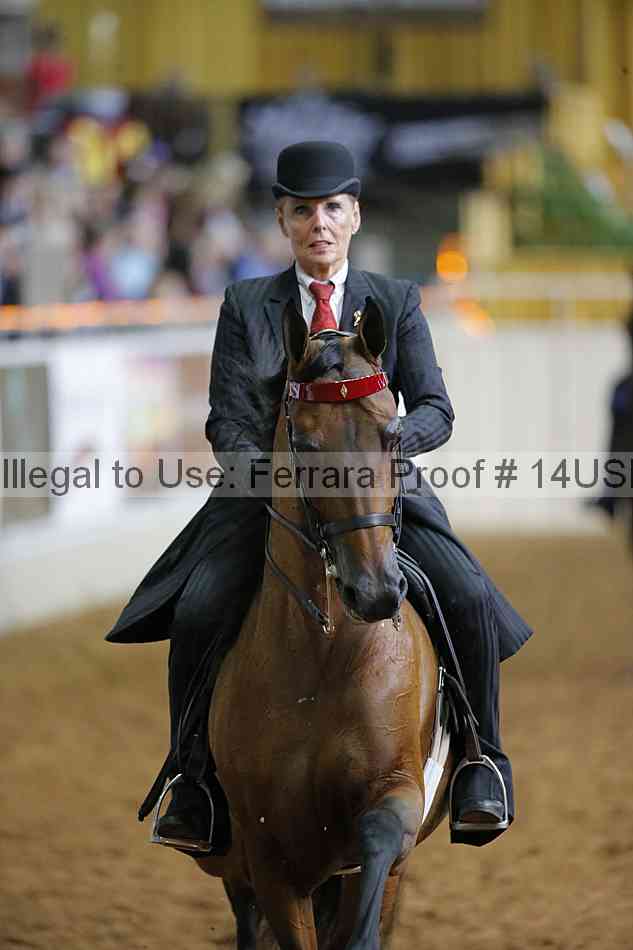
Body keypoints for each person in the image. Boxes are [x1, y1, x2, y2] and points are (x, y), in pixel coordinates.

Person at [106, 141, 533, 851]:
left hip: (378, 493)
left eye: (332, 208)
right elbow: (226, 422)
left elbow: (436, 408)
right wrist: (276, 478)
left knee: (465, 594)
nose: (319, 223)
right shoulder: (245, 304)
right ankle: (192, 781)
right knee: (201, 603)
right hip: (267, 499)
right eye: (303, 210)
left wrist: (390, 443)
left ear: (354, 215)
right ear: (282, 219)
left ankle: (483, 765)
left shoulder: (395, 301)